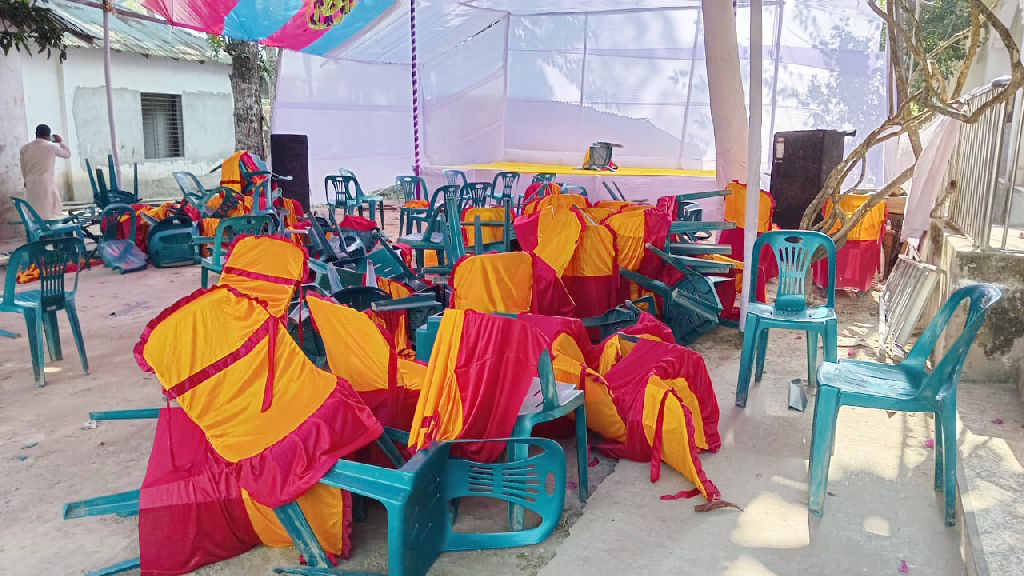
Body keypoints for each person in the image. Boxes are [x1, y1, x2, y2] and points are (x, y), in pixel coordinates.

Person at [20, 124, 71, 220]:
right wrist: (61, 142)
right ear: (48, 135)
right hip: (46, 182)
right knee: (47, 209)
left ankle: (36, 228)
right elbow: (67, 154)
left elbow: (23, 167)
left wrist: (26, 180)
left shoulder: (24, 148)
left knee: (34, 209)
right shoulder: (51, 147)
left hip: (31, 182)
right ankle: (48, 227)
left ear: (36, 134)